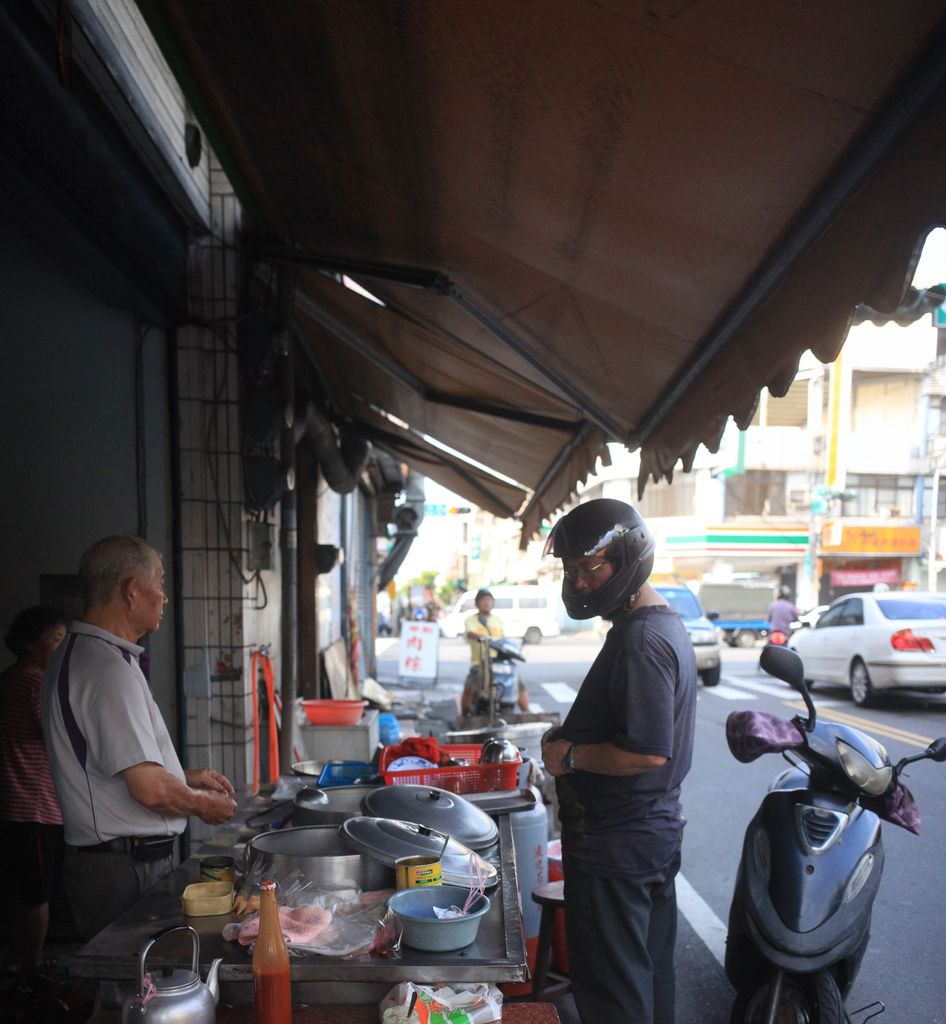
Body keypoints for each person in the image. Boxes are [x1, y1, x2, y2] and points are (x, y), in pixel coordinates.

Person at [540, 499, 697, 1024]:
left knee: (614, 992)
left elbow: (647, 752)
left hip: (618, 848)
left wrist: (571, 756)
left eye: (592, 567)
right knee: (646, 975)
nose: (581, 583)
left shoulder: (642, 639)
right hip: (640, 841)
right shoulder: (654, 625)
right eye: (572, 570)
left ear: (628, 556)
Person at [41, 535, 237, 939]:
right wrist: (204, 805)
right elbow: (147, 788)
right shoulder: (104, 669)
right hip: (120, 869)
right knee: (133, 990)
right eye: (159, 583)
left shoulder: (92, 655)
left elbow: (120, 766)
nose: (164, 597)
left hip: (115, 863)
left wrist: (182, 776)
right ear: (132, 592)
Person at [0, 606, 68, 975]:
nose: (61, 648)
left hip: (14, 806)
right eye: (56, 640)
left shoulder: (9, 679)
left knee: (23, 891)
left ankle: (17, 960)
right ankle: (33, 968)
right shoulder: (34, 681)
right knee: (37, 894)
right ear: (30, 643)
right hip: (33, 807)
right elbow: (59, 736)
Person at [460, 588, 529, 715]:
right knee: (470, 686)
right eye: (483, 601)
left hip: (499, 661)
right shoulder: (470, 620)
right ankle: (464, 716)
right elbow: (469, 633)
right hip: (480, 662)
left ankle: (527, 712)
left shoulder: (497, 620)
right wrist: (479, 637)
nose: (486, 603)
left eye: (489, 600)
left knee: (518, 682)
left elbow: (503, 640)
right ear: (477, 603)